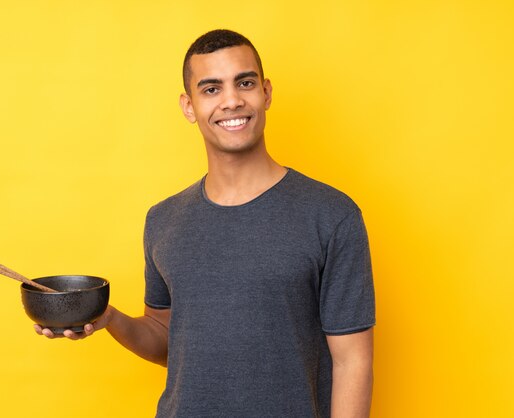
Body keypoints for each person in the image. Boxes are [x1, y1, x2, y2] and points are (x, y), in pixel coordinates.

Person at [35, 29, 375, 418]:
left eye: (244, 83)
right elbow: (166, 340)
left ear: (265, 92)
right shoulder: (162, 220)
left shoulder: (331, 215)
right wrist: (106, 316)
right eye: (211, 89)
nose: (231, 101)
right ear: (189, 106)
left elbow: (353, 362)